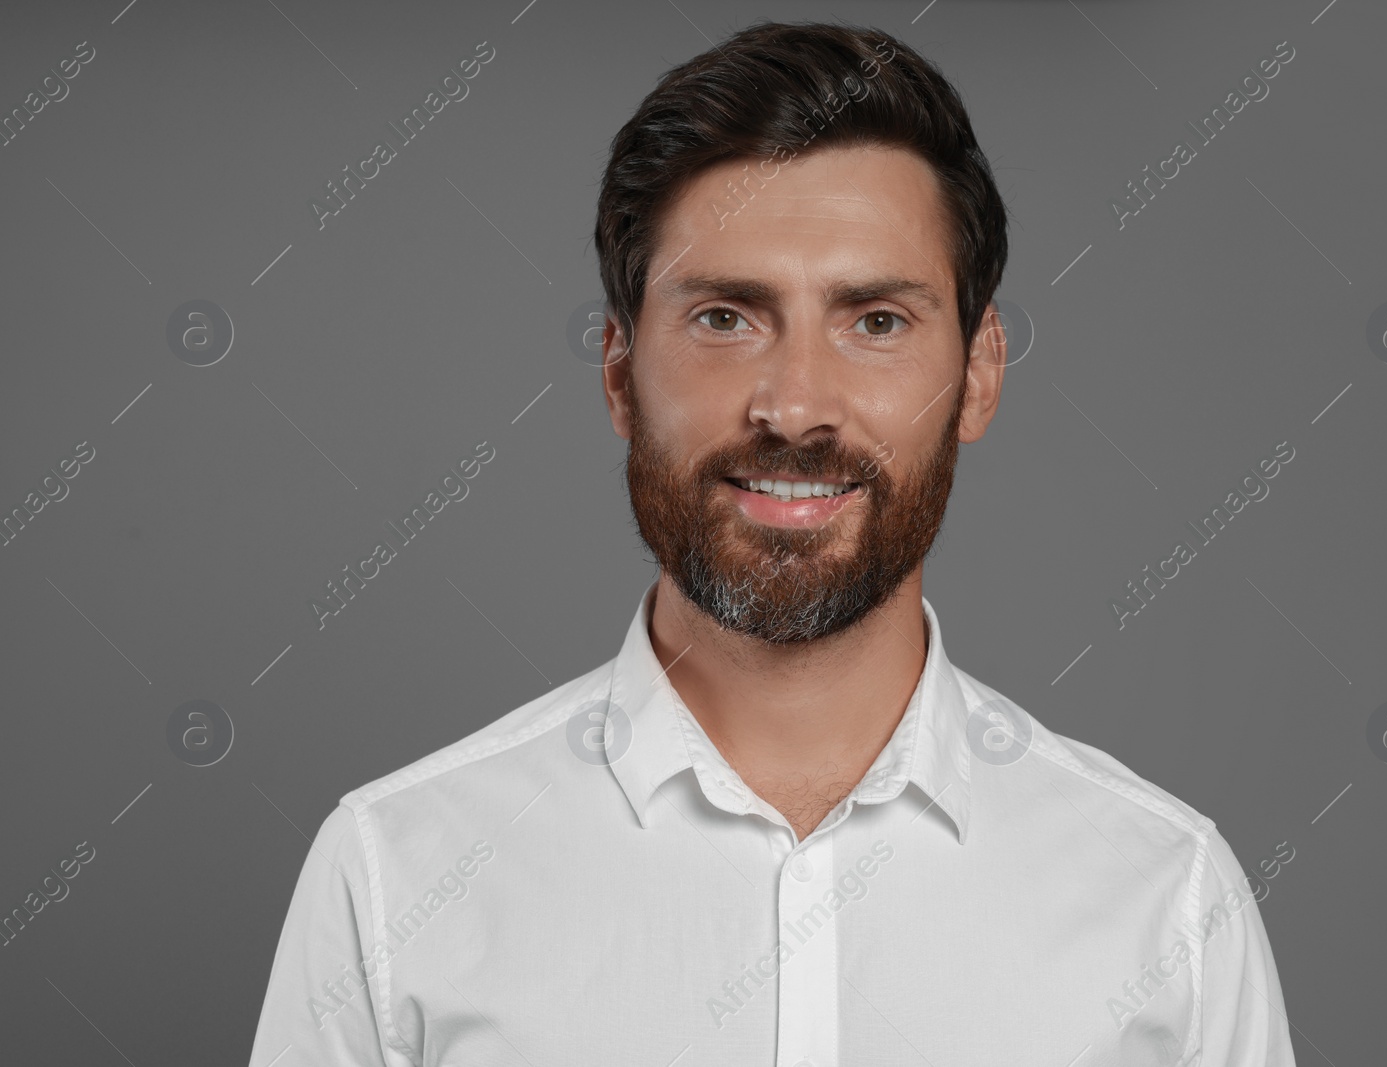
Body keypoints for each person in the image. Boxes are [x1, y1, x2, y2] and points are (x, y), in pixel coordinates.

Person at [248, 19, 1296, 1066]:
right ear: (618, 371)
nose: (795, 407)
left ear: (978, 374)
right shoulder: (391, 877)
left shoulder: (1169, 901)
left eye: (875, 320)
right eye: (724, 317)